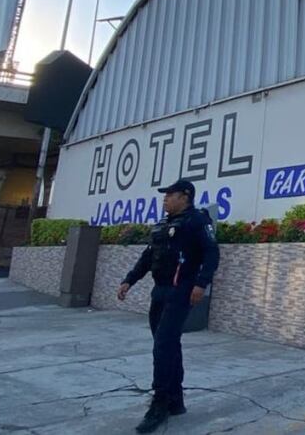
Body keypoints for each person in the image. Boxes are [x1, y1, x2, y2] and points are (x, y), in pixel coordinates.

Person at [118, 179, 220, 433]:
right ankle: (175, 400)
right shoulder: (163, 224)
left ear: (184, 197)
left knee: (164, 344)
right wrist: (129, 280)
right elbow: (148, 256)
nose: (165, 199)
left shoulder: (197, 221)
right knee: (167, 345)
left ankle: (160, 403)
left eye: (169, 195)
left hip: (182, 290)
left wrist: (201, 283)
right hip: (160, 290)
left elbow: (211, 253)